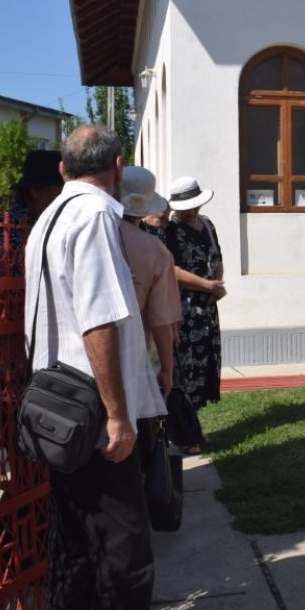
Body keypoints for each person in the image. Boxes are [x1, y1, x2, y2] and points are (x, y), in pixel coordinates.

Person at [23, 125, 154, 610]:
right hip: (92, 413)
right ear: (117, 167)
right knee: (125, 559)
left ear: (62, 169)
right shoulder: (97, 213)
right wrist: (118, 415)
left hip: (56, 407)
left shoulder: (48, 216)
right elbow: (98, 319)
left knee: (77, 547)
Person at [118, 165, 183, 464]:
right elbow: (161, 320)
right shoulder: (154, 250)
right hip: (135, 357)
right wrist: (167, 369)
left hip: (83, 360)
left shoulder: (93, 235)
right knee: (138, 446)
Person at [157, 176, 225, 450]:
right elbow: (172, 270)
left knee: (205, 366)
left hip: (207, 308)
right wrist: (206, 285)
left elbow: (217, 258)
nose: (194, 212)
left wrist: (216, 286)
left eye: (196, 206)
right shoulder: (170, 231)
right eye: (188, 208)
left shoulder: (207, 225)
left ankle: (192, 430)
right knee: (185, 371)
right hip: (183, 310)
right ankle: (186, 435)